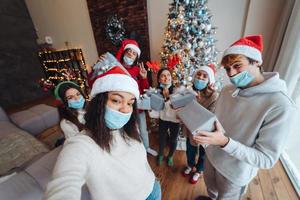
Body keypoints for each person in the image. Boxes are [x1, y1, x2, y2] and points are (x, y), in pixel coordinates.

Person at [193, 35, 297, 200]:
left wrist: (225, 143)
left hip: (235, 172)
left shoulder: (280, 105)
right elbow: (217, 121)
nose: (232, 74)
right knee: (211, 191)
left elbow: (266, 159)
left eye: (237, 66)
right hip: (211, 158)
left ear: (257, 62)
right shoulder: (227, 91)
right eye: (227, 69)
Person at [44, 66, 161, 200]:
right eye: (116, 100)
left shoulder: (129, 127)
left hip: (153, 188)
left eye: (130, 103)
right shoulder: (83, 143)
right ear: (100, 102)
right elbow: (64, 183)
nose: (125, 109)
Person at [115, 39, 157, 156]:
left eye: (134, 53)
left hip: (138, 107)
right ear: (124, 52)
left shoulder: (137, 70)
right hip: (122, 108)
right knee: (128, 131)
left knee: (143, 129)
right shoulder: (115, 68)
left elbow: (144, 90)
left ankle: (146, 148)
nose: (131, 54)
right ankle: (134, 153)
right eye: (129, 51)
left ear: (136, 58)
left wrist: (143, 78)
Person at [182, 66, 219, 184]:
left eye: (204, 76)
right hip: (189, 127)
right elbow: (182, 109)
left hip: (205, 130)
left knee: (203, 153)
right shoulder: (188, 91)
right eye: (198, 75)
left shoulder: (214, 95)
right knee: (190, 149)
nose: (200, 78)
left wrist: (195, 103)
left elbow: (210, 115)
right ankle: (190, 165)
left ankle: (199, 170)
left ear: (209, 80)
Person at [156, 68, 180, 167]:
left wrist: (168, 97)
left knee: (173, 139)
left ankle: (170, 156)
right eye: (163, 75)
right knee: (161, 138)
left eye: (168, 75)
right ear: (159, 79)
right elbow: (156, 108)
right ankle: (161, 154)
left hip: (175, 120)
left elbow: (178, 106)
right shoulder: (156, 91)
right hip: (163, 119)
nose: (166, 78)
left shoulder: (177, 90)